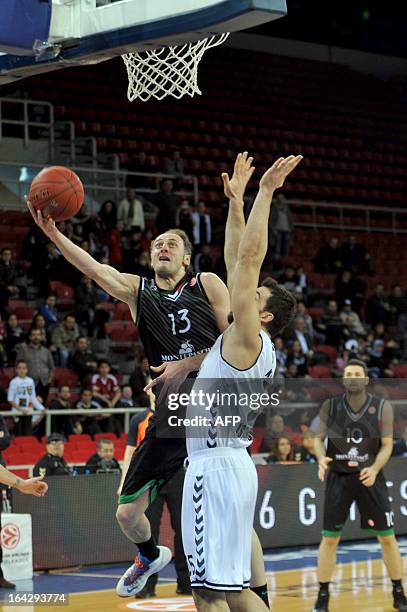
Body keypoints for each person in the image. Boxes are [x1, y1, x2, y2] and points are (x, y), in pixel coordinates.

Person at [25, 160, 263, 602]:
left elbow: (238, 342)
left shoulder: (206, 284)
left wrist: (185, 364)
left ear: (187, 257)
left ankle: (257, 590)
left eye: (171, 244)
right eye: (157, 245)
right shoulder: (140, 293)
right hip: (169, 421)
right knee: (126, 515)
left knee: (230, 528)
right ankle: (149, 554)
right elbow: (96, 270)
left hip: (213, 421)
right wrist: (56, 235)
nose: (162, 248)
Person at [181, 154, 300, 611]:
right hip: (231, 464)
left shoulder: (249, 337)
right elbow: (237, 258)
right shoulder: (249, 341)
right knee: (232, 590)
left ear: (264, 314)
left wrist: (265, 193)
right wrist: (235, 205)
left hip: (213, 469)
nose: (244, 292)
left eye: (255, 296)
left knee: (208, 593)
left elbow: (248, 258)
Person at [312, 359, 407, 612]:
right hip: (338, 477)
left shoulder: (381, 407)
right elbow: (316, 440)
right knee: (329, 540)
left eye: (357, 374)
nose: (353, 378)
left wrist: (375, 469)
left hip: (369, 477)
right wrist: (321, 457)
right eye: (348, 374)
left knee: (387, 538)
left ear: (365, 380)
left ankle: (398, 591)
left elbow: (387, 445)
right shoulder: (330, 407)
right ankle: (323, 595)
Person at [118, 401, 191, 598]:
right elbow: (130, 451)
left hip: (178, 474)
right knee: (147, 527)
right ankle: (147, 586)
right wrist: (124, 481)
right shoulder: (139, 419)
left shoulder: (186, 410)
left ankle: (186, 583)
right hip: (149, 474)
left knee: (183, 530)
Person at [7, 360, 46, 437]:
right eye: (20, 368)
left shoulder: (30, 381)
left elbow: (32, 398)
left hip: (28, 412)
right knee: (19, 435)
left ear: (27, 370)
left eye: (24, 368)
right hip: (17, 412)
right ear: (16, 370)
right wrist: (21, 409)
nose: (22, 370)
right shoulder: (14, 382)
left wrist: (42, 408)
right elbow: (10, 399)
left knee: (28, 435)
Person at [16, 328, 54, 402]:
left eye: (38, 335)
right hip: (27, 383)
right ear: (30, 337)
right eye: (33, 335)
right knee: (27, 405)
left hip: (44, 383)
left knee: (41, 406)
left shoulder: (46, 351)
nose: (36, 337)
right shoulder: (23, 350)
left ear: (41, 337)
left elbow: (51, 367)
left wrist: (50, 379)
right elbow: (17, 366)